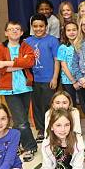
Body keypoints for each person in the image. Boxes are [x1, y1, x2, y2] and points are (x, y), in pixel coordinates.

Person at [15, 109, 84, 169]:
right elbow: (47, 166)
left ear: (71, 125)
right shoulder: (47, 143)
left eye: (67, 125)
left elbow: (78, 168)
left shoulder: (77, 140)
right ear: (51, 126)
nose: (63, 129)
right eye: (58, 125)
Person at [0, 20, 36, 161]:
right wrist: (18, 64)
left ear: (22, 33)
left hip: (25, 87)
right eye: (11, 29)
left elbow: (30, 62)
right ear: (6, 33)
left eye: (17, 29)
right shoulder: (0, 48)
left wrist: (6, 63)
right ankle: (30, 146)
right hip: (9, 90)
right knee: (21, 121)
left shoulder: (26, 46)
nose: (14, 31)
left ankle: (15, 145)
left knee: (19, 120)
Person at [24, 13, 60, 146]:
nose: (38, 29)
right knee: (36, 105)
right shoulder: (28, 41)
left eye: (41, 26)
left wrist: (55, 77)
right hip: (33, 79)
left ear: (46, 26)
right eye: (35, 26)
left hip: (48, 79)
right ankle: (40, 129)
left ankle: (51, 128)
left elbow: (57, 60)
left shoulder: (52, 40)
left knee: (48, 105)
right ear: (32, 27)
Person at [57, 21, 80, 107]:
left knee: (84, 105)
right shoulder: (62, 48)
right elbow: (63, 66)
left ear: (78, 31)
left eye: (74, 30)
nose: (71, 32)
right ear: (65, 32)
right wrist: (73, 81)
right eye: (69, 30)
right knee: (71, 105)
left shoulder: (82, 45)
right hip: (68, 81)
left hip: (81, 80)